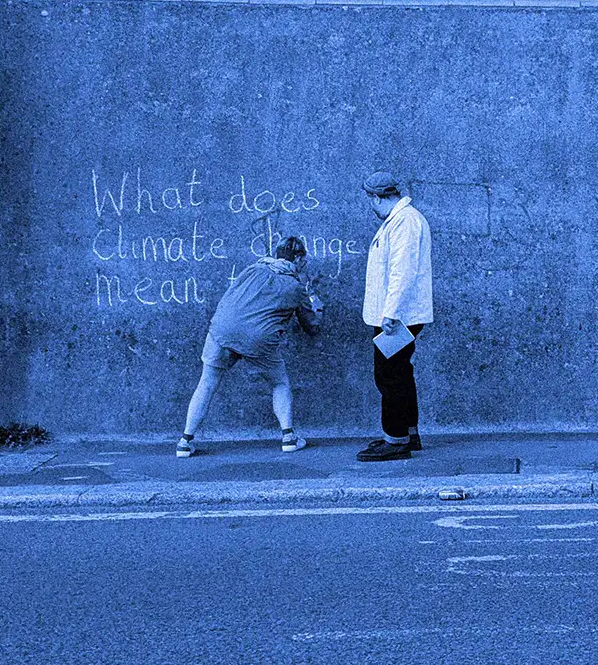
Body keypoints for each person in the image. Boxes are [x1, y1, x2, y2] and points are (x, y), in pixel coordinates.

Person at [177, 235, 321, 457]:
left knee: (207, 383)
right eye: (305, 259)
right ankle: (289, 437)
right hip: (259, 338)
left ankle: (185, 442)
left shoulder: (252, 269)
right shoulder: (295, 287)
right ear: (299, 258)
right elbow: (312, 326)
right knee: (279, 383)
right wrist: (315, 300)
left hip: (222, 330)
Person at [356, 172, 434, 462]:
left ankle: (396, 440)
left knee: (389, 375)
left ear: (377, 197)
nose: (371, 207)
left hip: (398, 315)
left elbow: (402, 271)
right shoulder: (401, 220)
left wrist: (390, 313)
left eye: (370, 201)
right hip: (398, 312)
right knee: (400, 371)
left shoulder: (404, 221)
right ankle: (406, 433)